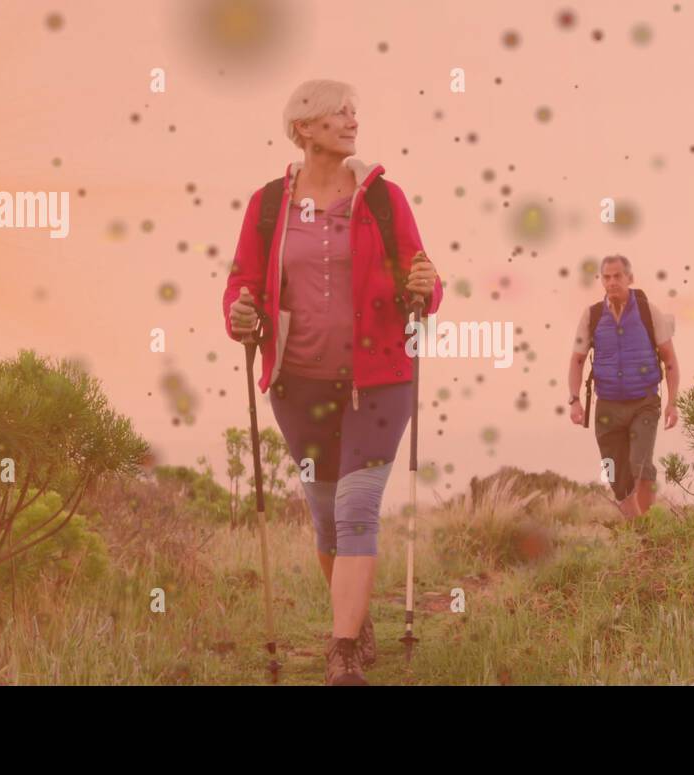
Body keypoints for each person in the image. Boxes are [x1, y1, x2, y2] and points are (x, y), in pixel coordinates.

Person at [222, 79, 443, 685]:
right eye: (338, 113)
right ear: (304, 128)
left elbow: (422, 276)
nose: (351, 119)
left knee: (356, 506)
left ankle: (342, 651)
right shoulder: (268, 205)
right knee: (324, 515)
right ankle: (357, 619)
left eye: (354, 110)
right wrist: (242, 313)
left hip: (380, 380)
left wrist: (425, 287)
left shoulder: (383, 198)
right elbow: (244, 282)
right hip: (299, 385)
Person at [567, 255, 679, 518]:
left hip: (644, 402)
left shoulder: (648, 312)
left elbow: (670, 361)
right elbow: (577, 360)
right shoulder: (592, 315)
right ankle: (640, 533)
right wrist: (574, 400)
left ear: (630, 278)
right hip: (607, 406)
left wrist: (672, 402)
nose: (612, 282)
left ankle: (649, 530)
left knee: (640, 465)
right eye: (606, 277)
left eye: (618, 276)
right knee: (617, 479)